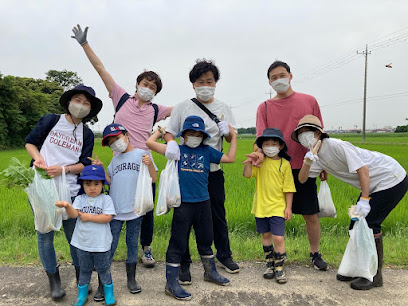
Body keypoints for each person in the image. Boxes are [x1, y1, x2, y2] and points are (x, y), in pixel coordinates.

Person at [71, 24, 172, 274]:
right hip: (120, 164)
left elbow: (181, 110)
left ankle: (145, 248)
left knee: (145, 209)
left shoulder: (156, 110)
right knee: (115, 208)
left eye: (153, 87)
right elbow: (101, 69)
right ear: (138, 83)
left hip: (144, 164)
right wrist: (85, 44)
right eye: (145, 83)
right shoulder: (121, 98)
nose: (148, 88)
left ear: (156, 92)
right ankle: (104, 248)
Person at [293, 115, 408, 290]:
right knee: (355, 225)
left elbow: (363, 170)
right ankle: (359, 269)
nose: (304, 136)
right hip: (374, 184)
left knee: (370, 224)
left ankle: (374, 275)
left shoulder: (336, 145)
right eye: (300, 133)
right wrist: (307, 162)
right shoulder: (315, 157)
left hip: (390, 177)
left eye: (307, 132)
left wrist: (364, 199)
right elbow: (302, 179)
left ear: (318, 133)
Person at [163, 59, 239, 284]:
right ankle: (184, 265)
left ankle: (224, 255)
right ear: (193, 84)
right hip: (186, 173)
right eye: (200, 81)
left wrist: (229, 132)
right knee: (184, 221)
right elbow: (170, 132)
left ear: (215, 83)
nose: (205, 85)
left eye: (209, 81)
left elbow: (229, 137)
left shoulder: (224, 108)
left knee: (217, 216)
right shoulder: (182, 107)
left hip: (213, 171)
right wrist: (171, 143)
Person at [25, 84, 102, 301]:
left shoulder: (86, 133)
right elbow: (31, 143)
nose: (81, 105)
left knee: (75, 236)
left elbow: (83, 165)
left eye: (86, 103)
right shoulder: (51, 120)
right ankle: (54, 281)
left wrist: (63, 169)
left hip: (71, 190)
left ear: (90, 109)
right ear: (69, 102)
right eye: (78, 100)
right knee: (45, 234)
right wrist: (38, 159)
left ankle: (82, 278)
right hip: (43, 187)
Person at [147, 115, 237, 300]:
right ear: (184, 135)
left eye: (198, 133)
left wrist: (233, 137)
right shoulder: (176, 150)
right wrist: (163, 132)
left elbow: (230, 158)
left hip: (204, 203)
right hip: (183, 205)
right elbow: (150, 143)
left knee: (206, 239)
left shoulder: (208, 151)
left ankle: (209, 272)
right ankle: (171, 283)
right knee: (178, 242)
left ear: (203, 136)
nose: (194, 136)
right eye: (190, 132)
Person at [252, 60, 328, 271]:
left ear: (291, 75)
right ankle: (273, 260)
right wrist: (257, 157)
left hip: (304, 166)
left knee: (310, 214)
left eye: (282, 75)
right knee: (271, 215)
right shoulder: (264, 107)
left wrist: (323, 164)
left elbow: (319, 135)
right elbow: (260, 138)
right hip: (274, 168)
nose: (279, 80)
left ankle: (315, 253)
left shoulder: (309, 101)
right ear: (269, 82)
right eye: (274, 77)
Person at [89, 123, 157, 299]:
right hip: (115, 211)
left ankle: (131, 279)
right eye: (111, 142)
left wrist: (149, 164)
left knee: (132, 245)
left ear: (127, 135)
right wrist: (101, 168)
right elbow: (109, 181)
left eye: (117, 138)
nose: (115, 143)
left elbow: (153, 178)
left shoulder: (142, 154)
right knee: (109, 247)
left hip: (135, 210)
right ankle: (102, 284)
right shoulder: (115, 160)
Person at [55, 165, 116, 306]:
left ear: (102, 184)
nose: (92, 188)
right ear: (83, 185)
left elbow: (107, 217)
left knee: (104, 269)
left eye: (96, 184)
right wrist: (66, 205)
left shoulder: (106, 199)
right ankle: (82, 296)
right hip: (82, 243)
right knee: (84, 270)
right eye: (88, 184)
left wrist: (89, 217)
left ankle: (109, 294)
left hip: (101, 244)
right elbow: (74, 214)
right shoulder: (80, 199)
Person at [243, 128, 295, 283]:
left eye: (274, 143)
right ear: (262, 146)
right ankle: (269, 265)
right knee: (266, 236)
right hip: (261, 206)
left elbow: (289, 188)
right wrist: (249, 162)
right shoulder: (260, 162)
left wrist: (288, 207)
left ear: (280, 146)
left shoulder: (284, 164)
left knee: (278, 238)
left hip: (278, 207)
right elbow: (247, 174)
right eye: (266, 143)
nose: (270, 146)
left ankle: (279, 268)